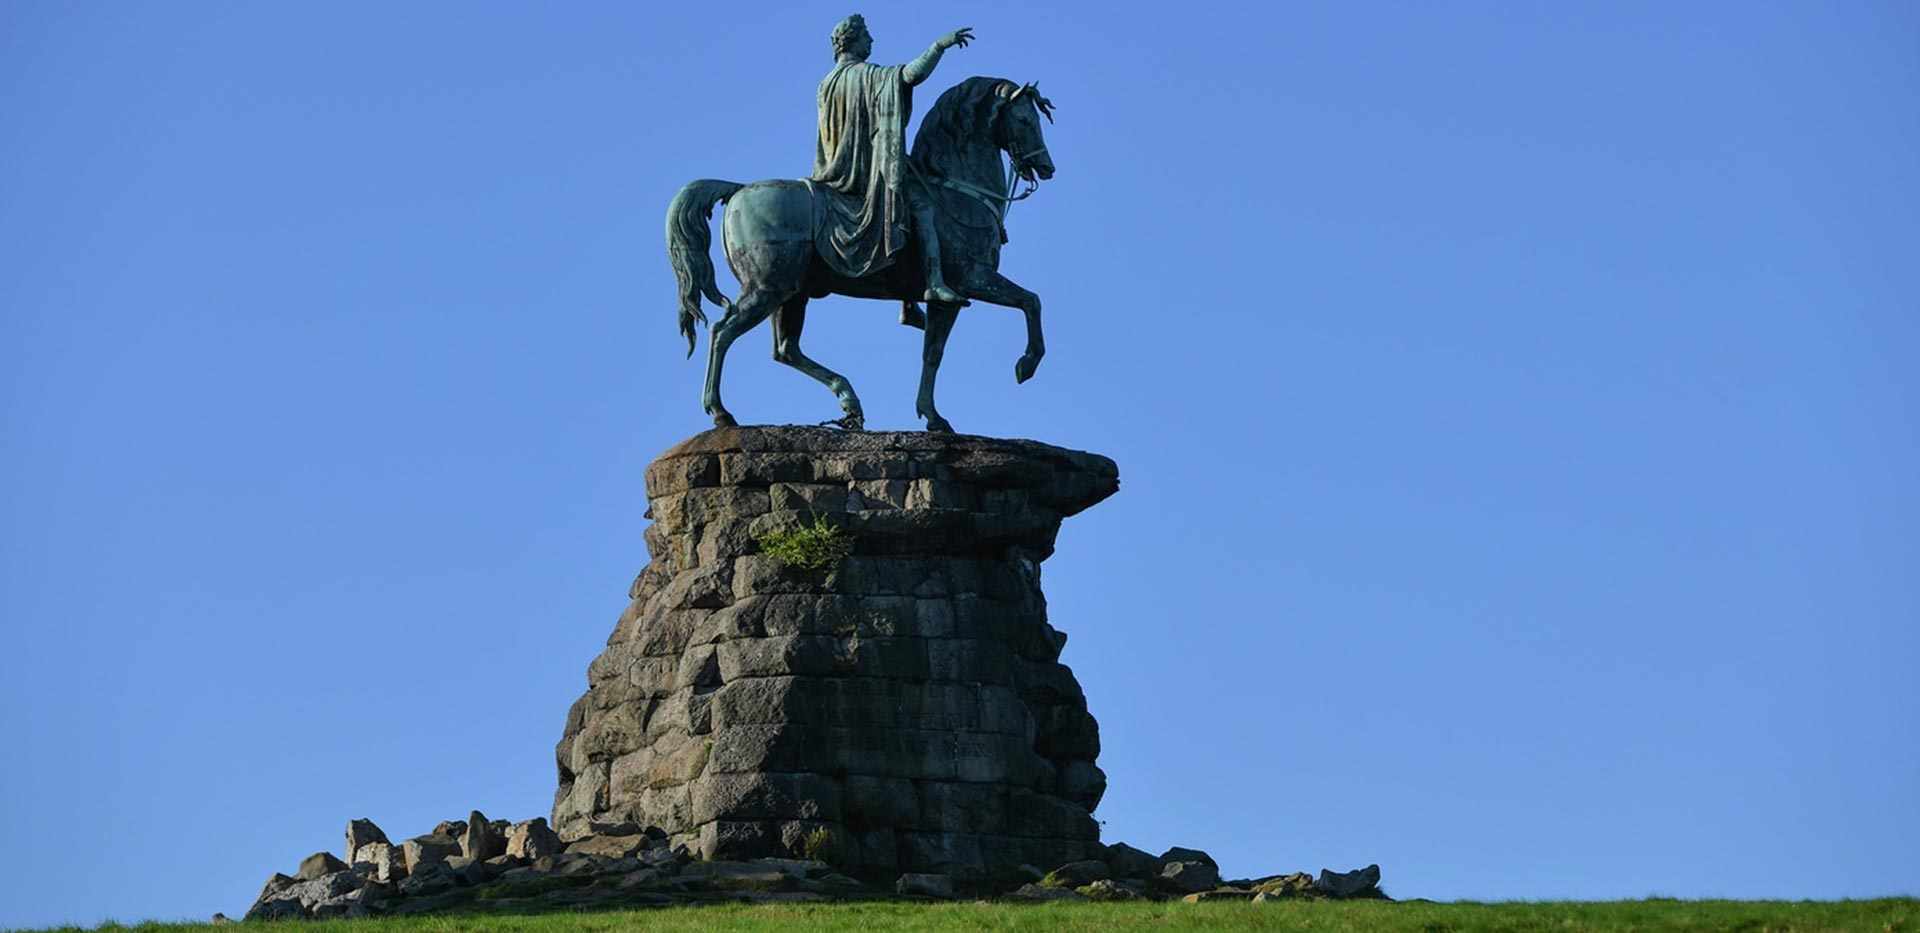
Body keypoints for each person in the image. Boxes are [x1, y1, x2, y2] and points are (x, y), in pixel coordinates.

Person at [812, 14, 972, 306]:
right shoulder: (865, 75)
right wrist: (939, 46)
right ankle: (933, 282)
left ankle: (907, 305)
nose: (871, 41)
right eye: (866, 36)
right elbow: (911, 75)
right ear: (854, 40)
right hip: (864, 170)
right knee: (922, 206)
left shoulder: (826, 82)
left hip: (834, 169)